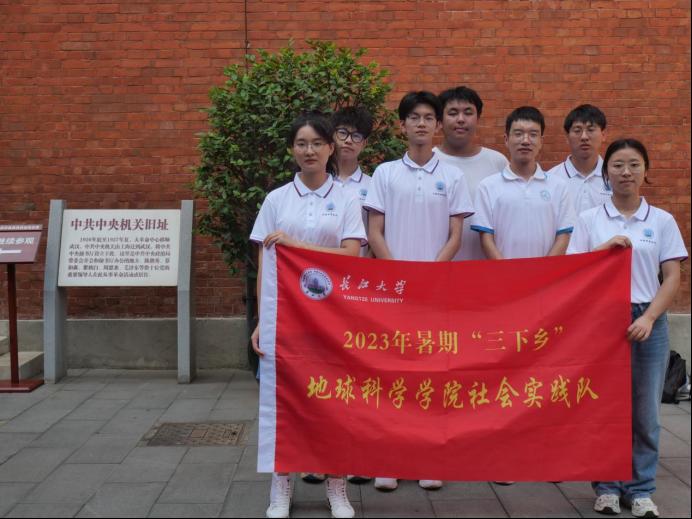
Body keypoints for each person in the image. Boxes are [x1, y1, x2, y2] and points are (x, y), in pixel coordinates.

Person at [250, 112, 366, 519]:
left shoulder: (347, 198)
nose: (309, 150)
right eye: (301, 143)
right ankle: (281, 485)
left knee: (335, 403)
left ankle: (337, 485)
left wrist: (297, 246)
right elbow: (265, 264)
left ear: (331, 148)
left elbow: (351, 254)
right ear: (291, 150)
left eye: (317, 143)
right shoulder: (276, 199)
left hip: (334, 318)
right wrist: (262, 320)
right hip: (286, 318)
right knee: (285, 400)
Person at [567, 138, 687, 519]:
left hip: (648, 319)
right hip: (603, 320)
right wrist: (603, 250)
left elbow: (672, 277)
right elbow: (573, 270)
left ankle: (641, 489)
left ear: (645, 171)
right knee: (605, 408)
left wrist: (649, 317)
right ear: (607, 173)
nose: (626, 172)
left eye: (634, 164)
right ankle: (606, 487)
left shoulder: (661, 220)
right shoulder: (590, 219)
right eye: (618, 165)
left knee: (646, 412)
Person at [364, 91, 474, 491]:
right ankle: (389, 458)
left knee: (431, 373)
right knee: (392, 373)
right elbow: (374, 231)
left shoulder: (453, 176)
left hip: (435, 290)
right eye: (414, 117)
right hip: (392, 292)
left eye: (429, 117)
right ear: (403, 125)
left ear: (437, 125)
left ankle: (428, 458)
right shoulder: (385, 173)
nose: (422, 123)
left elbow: (456, 235)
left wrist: (429, 276)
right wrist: (398, 277)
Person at [471, 106, 575, 260]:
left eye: (533, 134)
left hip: (547, 273)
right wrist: (508, 270)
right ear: (506, 139)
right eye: (518, 134)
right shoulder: (487, 186)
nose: (525, 141)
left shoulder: (559, 186)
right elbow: (486, 238)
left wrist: (545, 270)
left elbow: (563, 236)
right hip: (504, 272)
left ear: (541, 141)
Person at [434, 86, 508, 261]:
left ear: (478, 118)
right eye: (452, 113)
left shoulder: (497, 162)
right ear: (440, 120)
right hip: (437, 264)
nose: (461, 119)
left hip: (488, 265)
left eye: (468, 113)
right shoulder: (429, 161)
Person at [547, 104, 612, 214]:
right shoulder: (551, 178)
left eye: (591, 130)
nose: (584, 137)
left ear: (603, 135)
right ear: (567, 136)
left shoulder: (614, 177)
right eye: (577, 131)